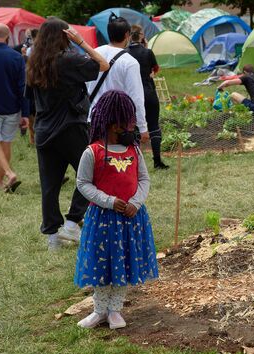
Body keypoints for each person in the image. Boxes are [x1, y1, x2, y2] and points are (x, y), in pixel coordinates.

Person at [75, 90, 159, 329]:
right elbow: (83, 183)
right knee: (103, 264)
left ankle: (115, 310)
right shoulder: (93, 152)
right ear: (113, 125)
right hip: (102, 219)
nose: (131, 127)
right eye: (126, 122)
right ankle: (99, 310)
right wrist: (109, 201)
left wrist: (136, 202)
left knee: (123, 262)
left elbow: (144, 179)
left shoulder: (134, 150)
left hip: (130, 218)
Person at [27, 17, 109, 251]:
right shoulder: (69, 60)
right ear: (65, 35)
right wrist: (82, 42)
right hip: (70, 127)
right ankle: (73, 223)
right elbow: (103, 64)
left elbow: (31, 100)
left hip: (44, 130)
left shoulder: (33, 61)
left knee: (49, 185)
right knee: (93, 173)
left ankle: (53, 236)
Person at [87, 14, 149, 144]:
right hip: (117, 124)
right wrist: (142, 127)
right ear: (127, 35)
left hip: (92, 119)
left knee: (96, 159)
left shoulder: (94, 53)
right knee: (117, 161)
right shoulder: (130, 62)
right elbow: (136, 97)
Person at [0, 24, 29, 193]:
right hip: (12, 107)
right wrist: (25, 113)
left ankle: (9, 173)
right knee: (6, 143)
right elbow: (22, 87)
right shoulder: (16, 57)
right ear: (7, 38)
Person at [127, 25, 168, 169]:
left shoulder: (125, 53)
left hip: (131, 95)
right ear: (142, 35)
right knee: (154, 126)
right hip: (148, 92)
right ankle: (157, 161)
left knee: (133, 128)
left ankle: (135, 164)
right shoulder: (148, 52)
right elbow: (155, 70)